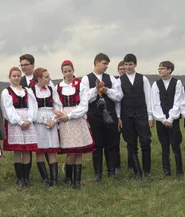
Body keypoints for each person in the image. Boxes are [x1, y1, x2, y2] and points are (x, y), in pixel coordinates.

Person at [81, 53, 123, 180]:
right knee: (97, 145)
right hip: (94, 116)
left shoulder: (111, 78)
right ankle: (98, 173)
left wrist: (106, 90)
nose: (106, 66)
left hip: (109, 115)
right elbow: (85, 99)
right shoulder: (86, 79)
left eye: (107, 64)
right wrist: (95, 89)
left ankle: (111, 171)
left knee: (111, 144)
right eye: (104, 63)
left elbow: (119, 96)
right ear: (96, 62)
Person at [54, 60, 95, 188]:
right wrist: (61, 115)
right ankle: (68, 179)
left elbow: (84, 106)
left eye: (69, 71)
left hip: (77, 119)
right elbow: (56, 105)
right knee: (70, 151)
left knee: (78, 151)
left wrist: (70, 115)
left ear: (73, 71)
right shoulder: (58, 87)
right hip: (65, 121)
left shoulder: (80, 86)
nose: (68, 74)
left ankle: (77, 180)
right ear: (62, 73)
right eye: (65, 72)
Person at [1, 66, 38, 187]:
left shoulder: (27, 91)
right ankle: (20, 177)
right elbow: (8, 109)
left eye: (18, 76)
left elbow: (33, 106)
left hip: (28, 121)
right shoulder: (7, 92)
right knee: (17, 151)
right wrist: (20, 121)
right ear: (10, 77)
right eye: (14, 76)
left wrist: (29, 119)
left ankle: (26, 177)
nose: (16, 78)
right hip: (15, 122)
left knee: (27, 150)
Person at [118, 54, 153, 179]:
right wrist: (118, 117)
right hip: (126, 116)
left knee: (145, 142)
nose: (128, 67)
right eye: (126, 65)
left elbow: (149, 98)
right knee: (131, 144)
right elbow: (118, 101)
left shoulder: (142, 79)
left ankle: (147, 171)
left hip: (141, 115)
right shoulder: (119, 81)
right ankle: (137, 172)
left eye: (130, 64)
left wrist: (150, 116)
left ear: (135, 65)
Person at [152, 61, 184, 178]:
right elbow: (155, 103)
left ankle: (179, 171)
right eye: (159, 68)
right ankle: (166, 171)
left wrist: (170, 119)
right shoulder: (156, 84)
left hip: (173, 120)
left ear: (169, 70)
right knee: (164, 145)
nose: (159, 70)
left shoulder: (177, 83)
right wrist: (163, 119)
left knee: (175, 145)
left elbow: (177, 101)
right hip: (161, 120)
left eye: (162, 68)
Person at [30, 68, 61, 187]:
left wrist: (53, 119)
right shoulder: (31, 91)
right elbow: (32, 110)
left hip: (51, 119)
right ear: (39, 79)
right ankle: (45, 179)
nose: (49, 79)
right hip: (39, 122)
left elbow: (56, 105)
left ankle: (54, 180)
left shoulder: (51, 89)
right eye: (46, 77)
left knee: (52, 150)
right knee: (40, 152)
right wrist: (44, 121)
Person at [114, 61, 126, 174]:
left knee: (130, 141)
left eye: (124, 68)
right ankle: (116, 165)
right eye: (121, 68)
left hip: (129, 115)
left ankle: (132, 164)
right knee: (115, 142)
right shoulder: (115, 82)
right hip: (117, 115)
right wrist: (118, 116)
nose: (123, 70)